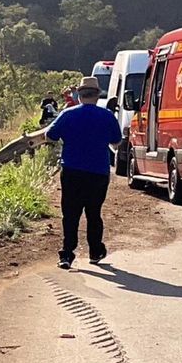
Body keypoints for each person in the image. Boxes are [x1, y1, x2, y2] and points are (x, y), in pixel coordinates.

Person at [44, 76, 122, 270]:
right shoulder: (107, 116)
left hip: (72, 171)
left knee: (70, 214)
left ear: (79, 94)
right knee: (94, 213)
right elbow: (116, 142)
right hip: (98, 172)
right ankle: (95, 251)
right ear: (97, 95)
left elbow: (50, 135)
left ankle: (67, 255)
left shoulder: (67, 114)